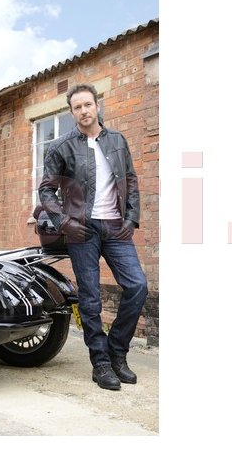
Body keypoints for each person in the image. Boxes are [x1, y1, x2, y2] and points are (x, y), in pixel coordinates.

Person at [39, 84, 149, 391]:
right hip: (81, 230)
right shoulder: (61, 147)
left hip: (116, 227)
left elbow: (131, 180)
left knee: (137, 286)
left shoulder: (117, 140)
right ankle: (100, 363)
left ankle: (117, 353)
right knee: (90, 298)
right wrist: (65, 223)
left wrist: (131, 218)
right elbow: (46, 190)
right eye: (77, 107)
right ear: (71, 112)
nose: (84, 111)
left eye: (88, 104)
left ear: (97, 105)